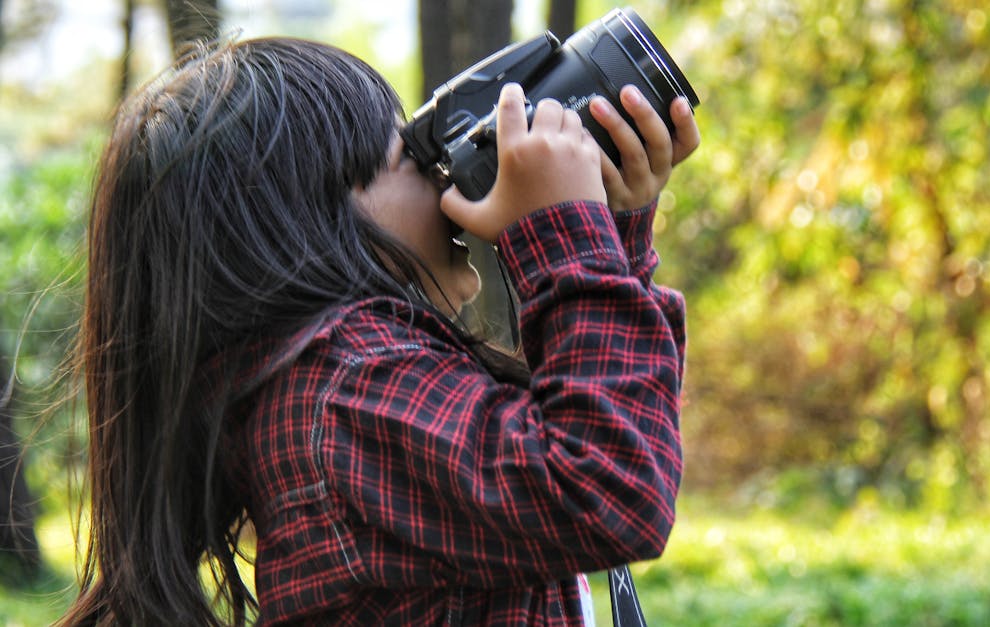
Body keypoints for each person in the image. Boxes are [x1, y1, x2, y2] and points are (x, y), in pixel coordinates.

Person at [63, 35, 698, 626]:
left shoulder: (335, 386)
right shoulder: (345, 388)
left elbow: (604, 424)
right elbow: (610, 486)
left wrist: (605, 231)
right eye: (413, 152)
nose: (446, 165)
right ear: (303, 227)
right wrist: (567, 235)